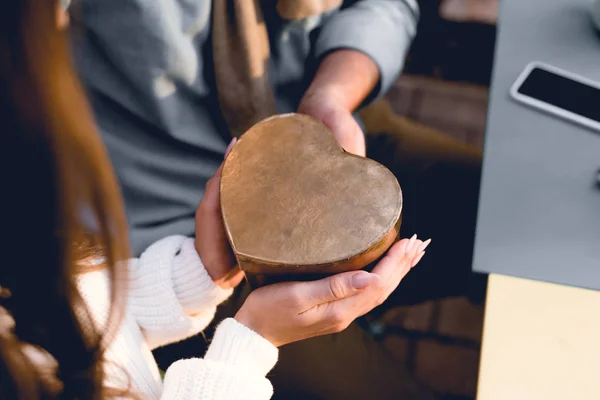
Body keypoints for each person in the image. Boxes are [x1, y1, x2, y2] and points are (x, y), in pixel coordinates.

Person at [0, 1, 430, 398]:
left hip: (324, 130)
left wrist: (194, 274)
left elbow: (77, 319)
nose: (65, 22)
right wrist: (250, 342)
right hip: (172, 220)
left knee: (484, 219)